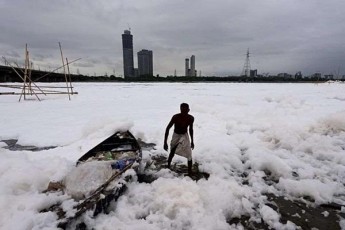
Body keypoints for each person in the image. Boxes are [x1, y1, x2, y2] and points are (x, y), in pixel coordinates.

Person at [164, 103, 194, 175]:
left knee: (189, 152)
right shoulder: (176, 117)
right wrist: (165, 142)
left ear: (188, 110)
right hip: (176, 135)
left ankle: (190, 172)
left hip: (184, 135)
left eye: (185, 111)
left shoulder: (190, 118)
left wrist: (192, 141)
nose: (183, 113)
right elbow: (168, 128)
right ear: (180, 110)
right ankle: (168, 166)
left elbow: (191, 129)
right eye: (182, 110)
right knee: (172, 150)